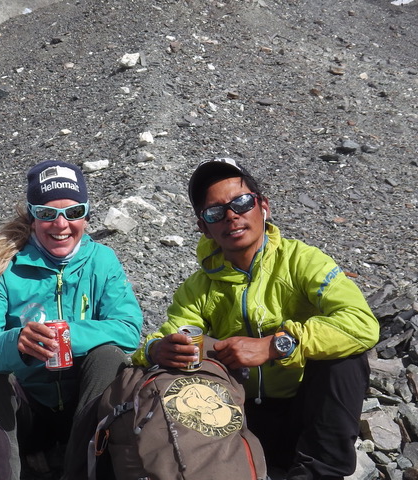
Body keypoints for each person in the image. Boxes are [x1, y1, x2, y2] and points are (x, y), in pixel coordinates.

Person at [132, 158, 379, 480]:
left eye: (242, 203)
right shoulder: (197, 289)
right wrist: (155, 350)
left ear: (263, 207)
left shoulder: (303, 262)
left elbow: (362, 323)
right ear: (203, 227)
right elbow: (164, 336)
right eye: (215, 212)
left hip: (307, 415)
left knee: (346, 357)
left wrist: (277, 345)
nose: (231, 216)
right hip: (237, 424)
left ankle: (319, 472)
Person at [0, 160, 143, 480]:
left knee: (109, 356)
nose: (61, 224)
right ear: (32, 218)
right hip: (27, 416)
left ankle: (81, 472)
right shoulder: (5, 268)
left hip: (85, 410)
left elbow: (128, 328)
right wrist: (15, 343)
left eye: (73, 212)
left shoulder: (102, 261)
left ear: (86, 215)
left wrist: (69, 334)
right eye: (46, 213)